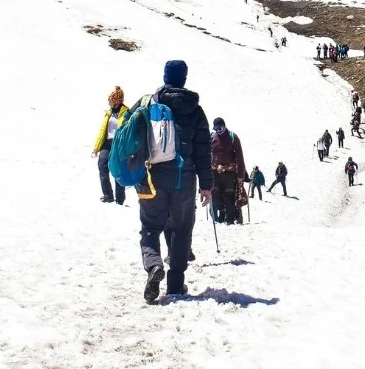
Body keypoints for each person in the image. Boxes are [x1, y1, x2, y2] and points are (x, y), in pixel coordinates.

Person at [135, 60, 212, 304]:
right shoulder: (195, 109)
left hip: (152, 178)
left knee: (150, 227)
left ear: (165, 76)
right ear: (184, 79)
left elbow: (130, 137)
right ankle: (176, 283)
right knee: (181, 230)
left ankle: (154, 265)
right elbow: (203, 150)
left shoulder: (148, 103)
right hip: (184, 179)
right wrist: (207, 184)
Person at [91, 86, 129, 205]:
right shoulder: (108, 113)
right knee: (102, 165)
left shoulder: (127, 113)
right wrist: (96, 148)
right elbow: (102, 131)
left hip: (119, 144)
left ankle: (120, 198)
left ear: (118, 101)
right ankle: (108, 195)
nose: (109, 102)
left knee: (118, 169)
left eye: (111, 100)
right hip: (107, 143)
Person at [209, 117, 248, 225]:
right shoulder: (212, 137)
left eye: (220, 128)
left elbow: (239, 157)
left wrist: (241, 175)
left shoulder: (233, 137)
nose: (218, 131)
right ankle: (222, 212)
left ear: (224, 126)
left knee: (228, 196)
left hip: (229, 172)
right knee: (215, 194)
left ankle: (230, 219)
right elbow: (208, 154)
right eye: (216, 129)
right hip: (215, 172)